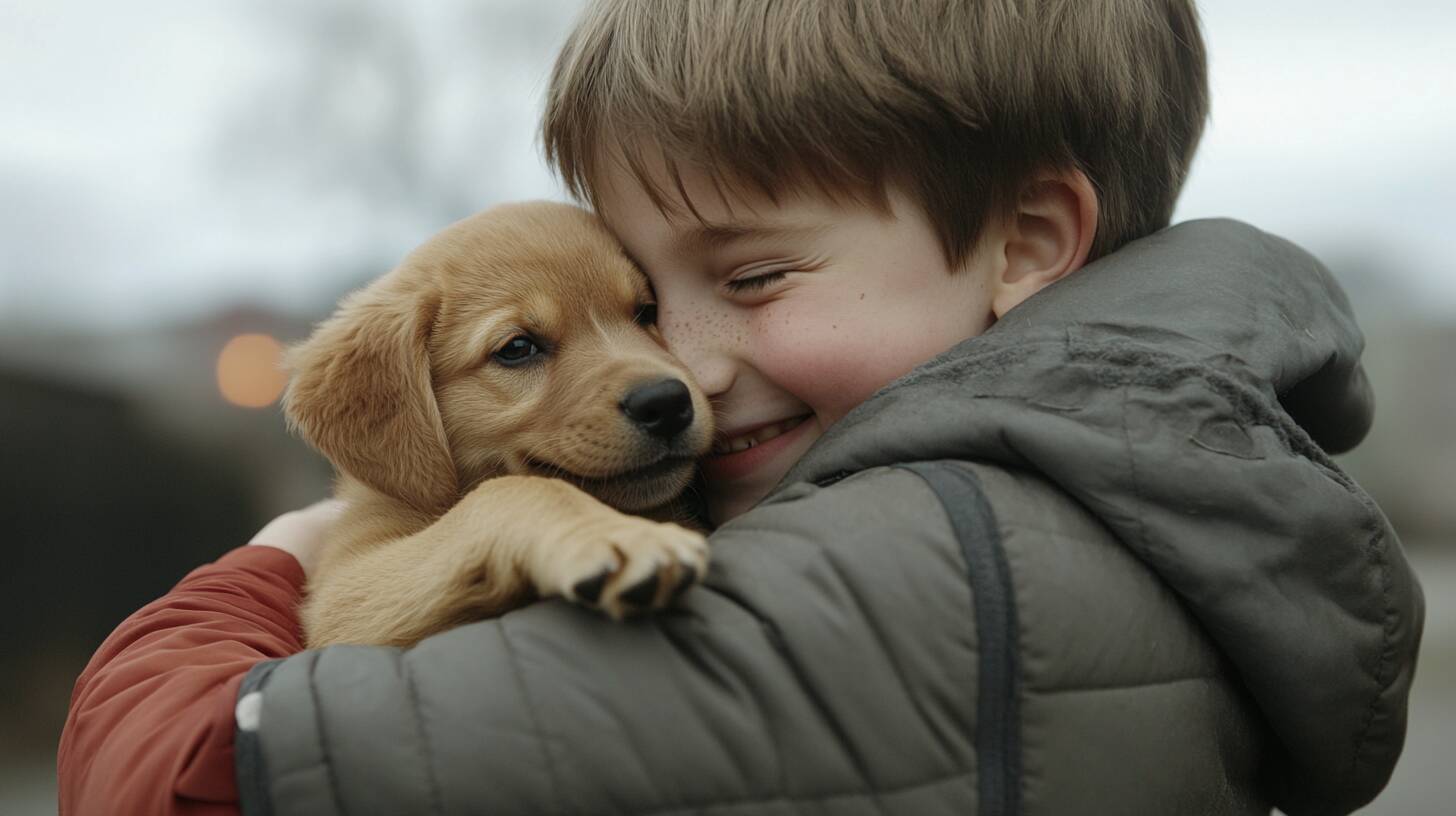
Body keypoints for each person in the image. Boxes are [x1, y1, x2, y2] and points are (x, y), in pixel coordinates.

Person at [59, 1, 1423, 814]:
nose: (676, 372)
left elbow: (166, 777)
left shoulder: (919, 572)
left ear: (1024, 244)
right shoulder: (1127, 478)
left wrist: (266, 569)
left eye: (757, 275)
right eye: (659, 297)